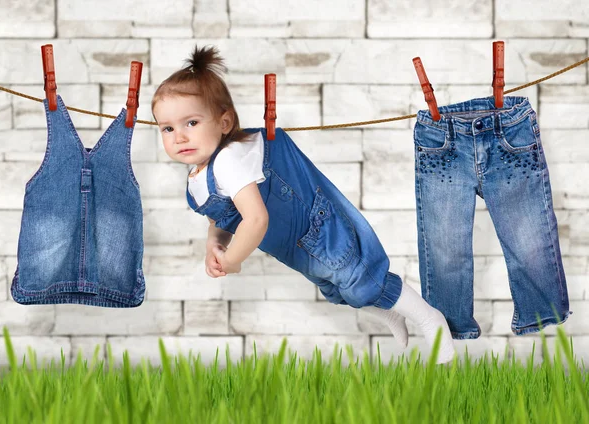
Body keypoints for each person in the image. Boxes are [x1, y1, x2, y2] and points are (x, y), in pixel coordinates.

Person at [151, 45, 456, 363]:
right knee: (335, 285)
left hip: (311, 222)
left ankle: (429, 319)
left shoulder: (229, 160)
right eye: (168, 128)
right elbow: (221, 216)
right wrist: (214, 244)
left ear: (224, 123)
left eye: (191, 123)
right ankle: (390, 311)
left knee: (354, 274)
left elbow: (255, 220)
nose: (179, 137)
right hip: (293, 243)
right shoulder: (198, 174)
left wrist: (233, 260)